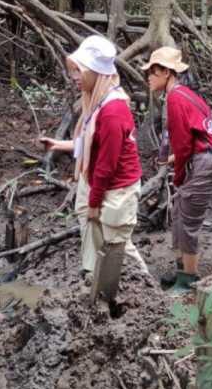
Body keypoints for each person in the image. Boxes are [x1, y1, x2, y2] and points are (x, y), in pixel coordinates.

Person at [39, 36, 148, 280]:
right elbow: (92, 142)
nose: (74, 77)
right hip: (98, 181)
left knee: (118, 245)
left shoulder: (113, 110)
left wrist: (94, 203)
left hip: (116, 188)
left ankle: (147, 291)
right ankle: (94, 276)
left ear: (96, 72)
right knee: (91, 229)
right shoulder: (98, 100)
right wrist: (61, 145)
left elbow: (106, 165)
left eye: (79, 70)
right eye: (73, 70)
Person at [141, 47, 212, 293]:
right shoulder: (183, 93)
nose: (148, 78)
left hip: (205, 162)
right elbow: (195, 135)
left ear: (166, 72)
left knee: (187, 217)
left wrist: (178, 175)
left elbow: (184, 143)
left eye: (153, 72)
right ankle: (180, 270)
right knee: (178, 210)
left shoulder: (176, 97)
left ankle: (189, 279)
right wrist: (178, 159)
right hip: (204, 157)